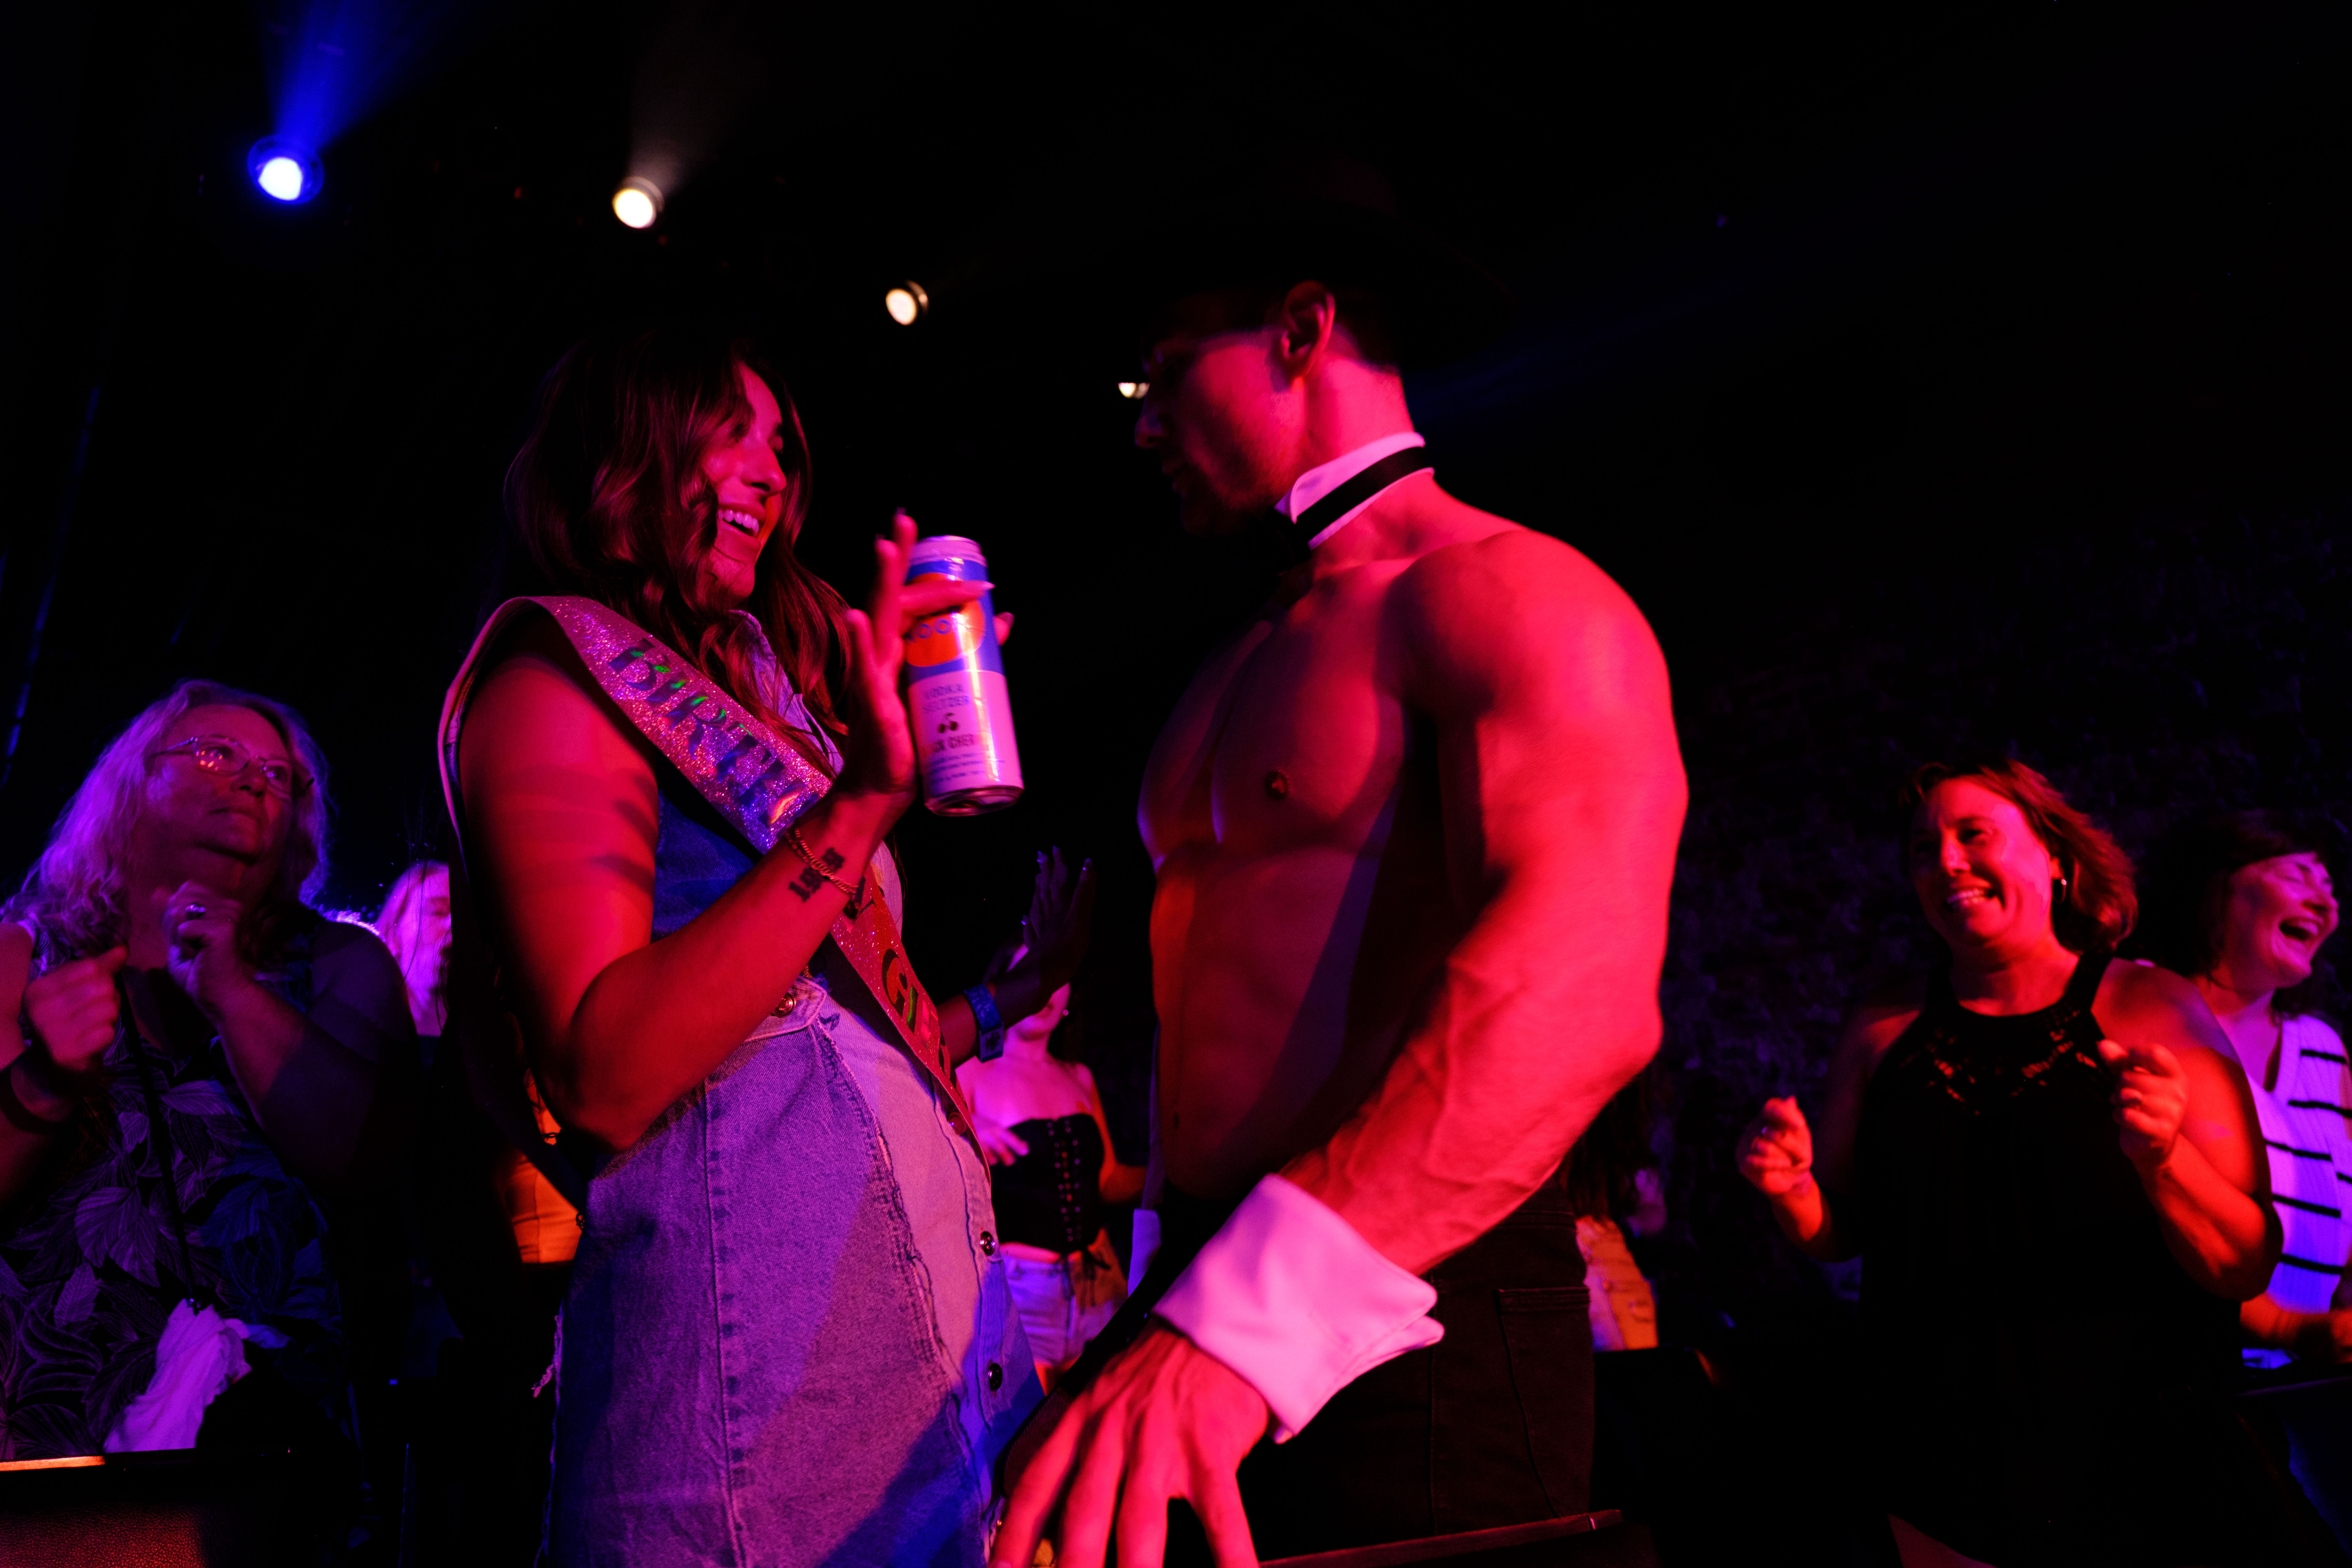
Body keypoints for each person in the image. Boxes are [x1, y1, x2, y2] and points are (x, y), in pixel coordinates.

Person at [995, 156, 1687, 1568]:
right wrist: (1161, 1313)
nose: (1142, 430)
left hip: (1417, 1315)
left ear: (1302, 331)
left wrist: (1244, 1321)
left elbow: (1586, 1001)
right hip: (1203, 1300)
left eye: (1162, 375)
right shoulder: (1234, 661)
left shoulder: (1511, 594)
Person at [441, 326, 1088, 1566]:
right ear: (623, 449)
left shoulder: (760, 700)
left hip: (909, 1396)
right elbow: (607, 1072)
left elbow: (820, 1043)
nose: (767, 470)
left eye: (779, 446)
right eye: (724, 429)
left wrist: (1010, 996)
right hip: (748, 1429)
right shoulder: (551, 678)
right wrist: (858, 807)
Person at [1736, 758, 2277, 1567]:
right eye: (1924, 849)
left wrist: (2164, 1161)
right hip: (1937, 1472)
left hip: (2134, 1465)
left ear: (2055, 859)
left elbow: (2245, 1261)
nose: (1945, 862)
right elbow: (1842, 1231)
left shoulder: (2148, 1005)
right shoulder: (1883, 1027)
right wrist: (1792, 1193)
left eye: (1973, 835)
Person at [0, 681, 412, 1488]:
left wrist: (231, 991)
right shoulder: (26, 955)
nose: (255, 781)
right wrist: (44, 1083)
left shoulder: (338, 967)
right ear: (132, 788)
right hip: (52, 1436)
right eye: (218, 754)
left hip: (269, 1450)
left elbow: (368, 1160)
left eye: (279, 774)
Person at [2139, 810, 2352, 1365]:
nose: (2326, 905)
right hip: (2171, 1377)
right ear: (2219, 887)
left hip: (2299, 1386)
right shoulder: (2139, 1007)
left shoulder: (2324, 1051)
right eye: (2298, 877)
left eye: (2329, 888)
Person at [957, 922, 1147, 1394]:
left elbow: (1108, 1182)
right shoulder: (970, 1075)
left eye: (1054, 971)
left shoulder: (1078, 1076)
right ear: (1002, 986)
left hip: (1100, 1281)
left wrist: (1171, 1169)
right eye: (1029, 970)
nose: (1044, 987)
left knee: (1099, 1416)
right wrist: (964, 1135)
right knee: (1031, 1431)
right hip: (1023, 1291)